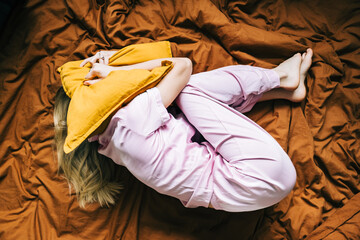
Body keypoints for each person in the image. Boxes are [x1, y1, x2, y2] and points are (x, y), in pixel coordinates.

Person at [54, 48, 313, 212]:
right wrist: (116, 70)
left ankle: (285, 90)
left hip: (241, 197)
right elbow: (181, 66)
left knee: (189, 105)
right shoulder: (131, 118)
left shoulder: (106, 144)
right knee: (188, 90)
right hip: (262, 172)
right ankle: (279, 77)